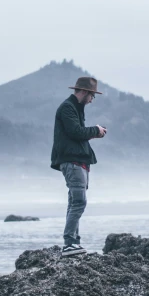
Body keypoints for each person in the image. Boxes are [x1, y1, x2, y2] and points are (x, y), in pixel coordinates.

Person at [51, 77, 107, 257]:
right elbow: (75, 132)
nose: (92, 100)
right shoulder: (68, 108)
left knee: (74, 202)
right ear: (84, 92)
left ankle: (74, 241)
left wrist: (94, 134)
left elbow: (75, 135)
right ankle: (69, 243)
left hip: (78, 161)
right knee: (79, 202)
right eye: (92, 96)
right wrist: (95, 130)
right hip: (73, 162)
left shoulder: (75, 108)